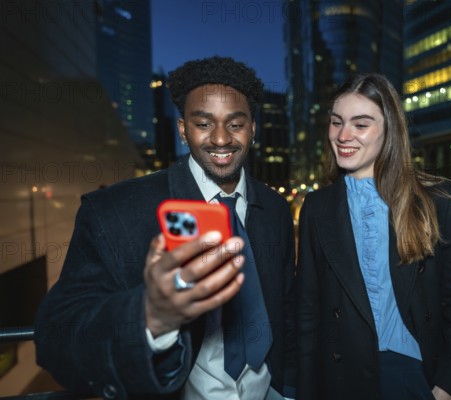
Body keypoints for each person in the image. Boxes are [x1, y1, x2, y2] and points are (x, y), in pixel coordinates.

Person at [34, 56, 296, 400]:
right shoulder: (114, 212)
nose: (221, 139)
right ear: (183, 129)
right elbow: (56, 337)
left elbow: (287, 309)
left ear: (253, 128)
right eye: (203, 124)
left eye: (235, 124)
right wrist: (150, 315)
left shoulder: (275, 208)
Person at [296, 74, 451, 400]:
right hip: (340, 380)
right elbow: (308, 312)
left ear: (389, 131)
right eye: (336, 122)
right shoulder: (316, 207)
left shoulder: (438, 201)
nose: (343, 135)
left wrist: (449, 387)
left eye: (361, 124)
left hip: (414, 377)